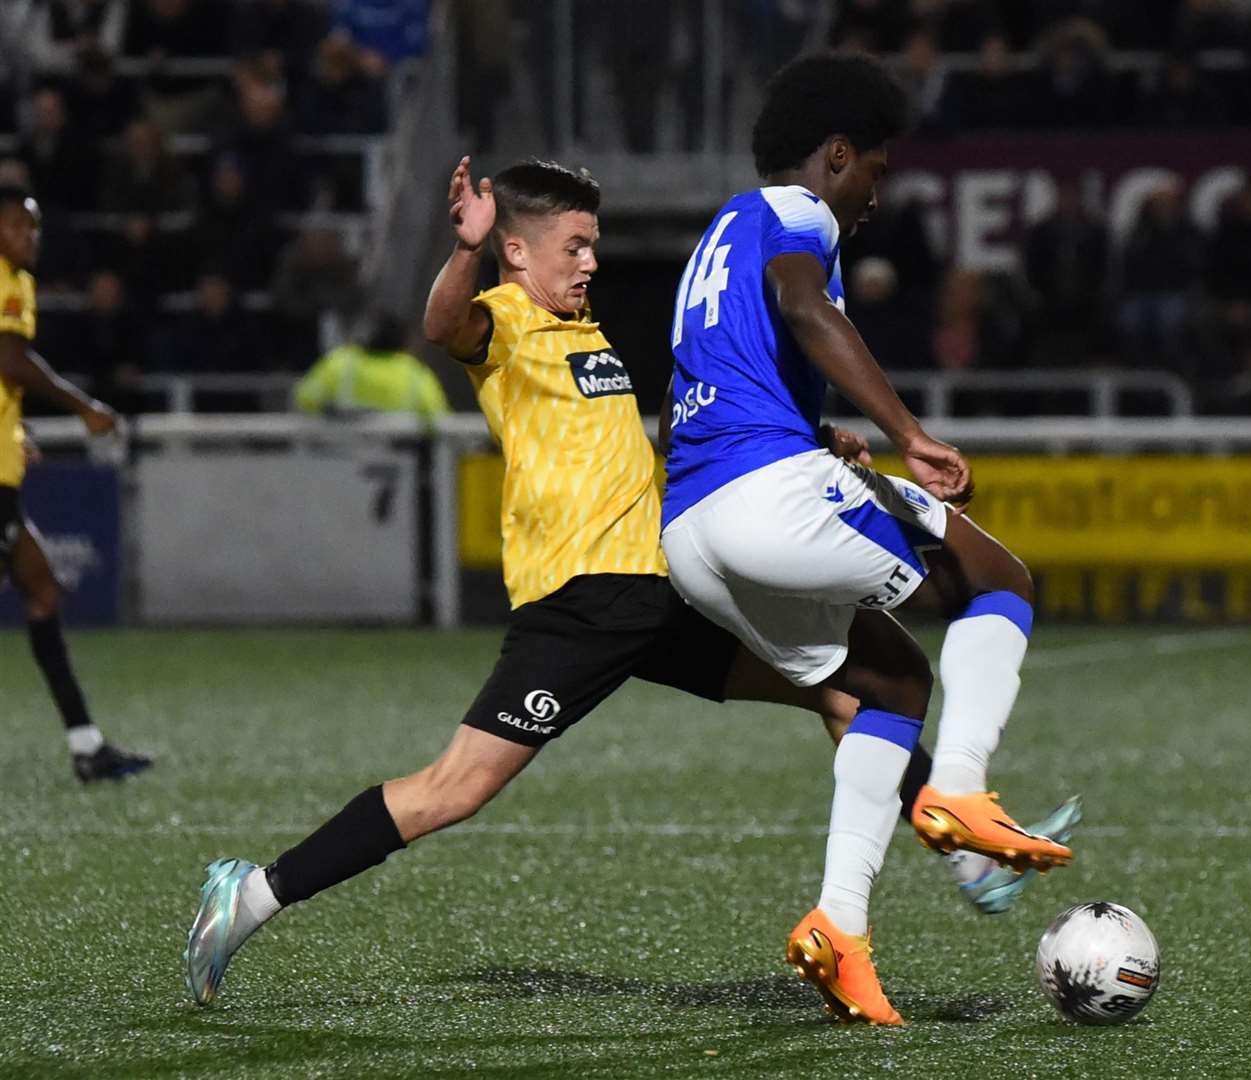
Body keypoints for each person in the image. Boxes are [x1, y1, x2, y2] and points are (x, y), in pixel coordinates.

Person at [183, 156, 1080, 1011]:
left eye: (594, 243)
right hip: (580, 604)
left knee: (852, 696)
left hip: (662, 592)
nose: (591, 259)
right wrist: (464, 249)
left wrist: (806, 443)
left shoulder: (590, 335)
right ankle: (253, 894)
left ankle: (964, 855)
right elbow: (440, 326)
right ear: (516, 249)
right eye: (574, 245)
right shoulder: (499, 321)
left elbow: (662, 440)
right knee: (452, 790)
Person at [659, 53, 1073, 1026]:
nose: (879, 193)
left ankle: (840, 928)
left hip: (691, 529)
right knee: (998, 576)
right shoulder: (801, 214)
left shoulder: (720, 232)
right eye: (877, 170)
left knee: (888, 683)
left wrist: (821, 434)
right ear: (836, 156)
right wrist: (909, 433)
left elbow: (733, 365)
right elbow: (805, 311)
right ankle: (960, 791)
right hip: (767, 500)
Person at [0, 186, 152, 783]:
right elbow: (9, 361)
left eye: (33, 228)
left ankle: (87, 747)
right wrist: (83, 406)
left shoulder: (18, 279)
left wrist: (17, 430)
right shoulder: (7, 280)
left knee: (43, 591)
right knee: (42, 590)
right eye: (16, 226)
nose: (28, 238)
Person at [293, 311, 448, 424]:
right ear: (403, 341)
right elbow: (438, 418)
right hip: (400, 464)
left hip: (339, 461)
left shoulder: (340, 364)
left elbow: (303, 399)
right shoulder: (414, 373)